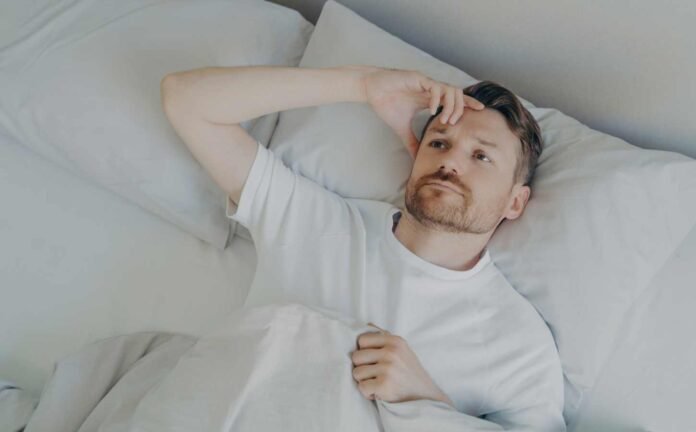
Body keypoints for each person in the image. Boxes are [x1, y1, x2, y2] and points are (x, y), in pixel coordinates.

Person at [160, 65, 566, 431]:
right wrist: (364, 85)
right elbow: (185, 99)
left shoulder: (519, 345)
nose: (452, 163)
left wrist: (425, 402)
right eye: (439, 143)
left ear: (516, 202)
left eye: (481, 156)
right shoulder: (318, 222)